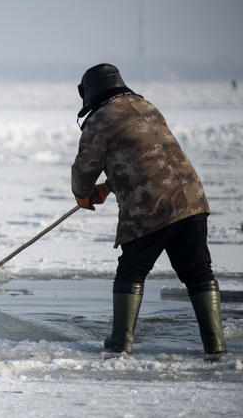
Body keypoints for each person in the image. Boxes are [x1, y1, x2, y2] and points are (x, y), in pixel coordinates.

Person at [71, 63, 227, 360]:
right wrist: (107, 188)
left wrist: (82, 194)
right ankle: (216, 346)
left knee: (131, 271)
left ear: (89, 92)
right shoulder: (145, 106)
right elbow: (149, 159)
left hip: (150, 207)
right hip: (191, 199)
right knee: (198, 273)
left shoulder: (100, 119)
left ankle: (120, 344)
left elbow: (84, 168)